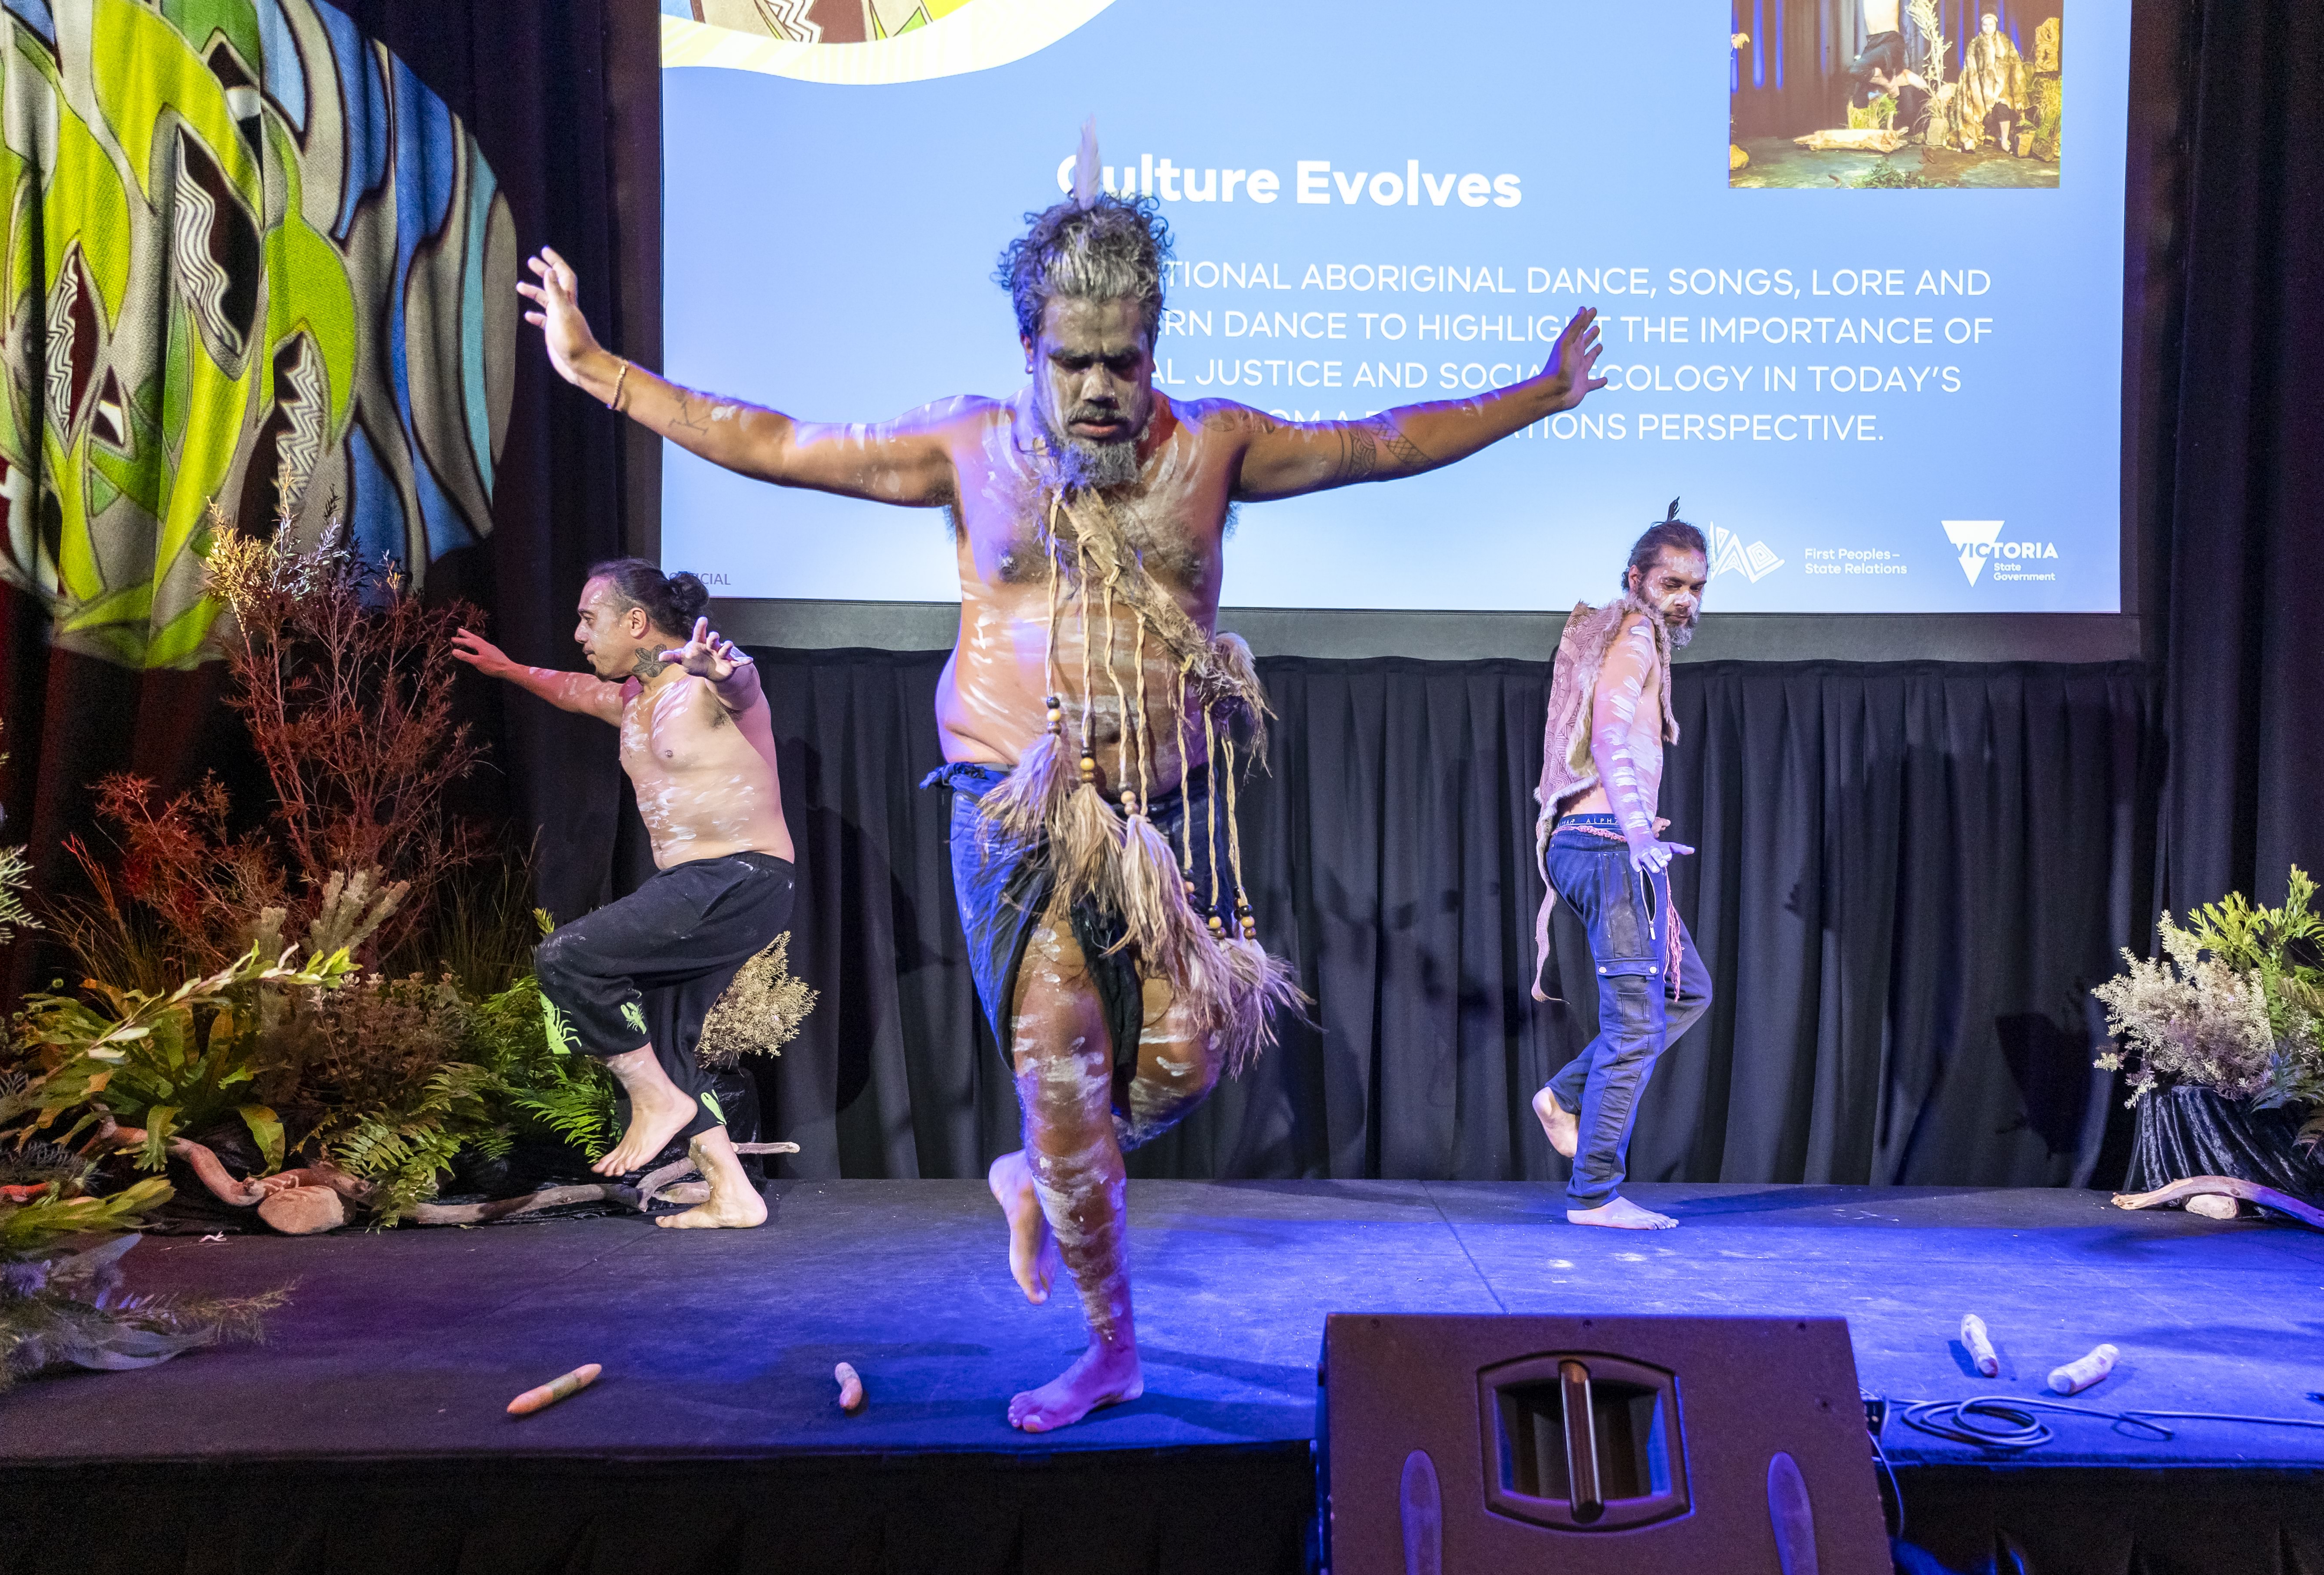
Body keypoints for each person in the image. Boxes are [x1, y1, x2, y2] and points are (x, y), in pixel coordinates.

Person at [514, 141, 1606, 1429]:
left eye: (1123, 360)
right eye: (1070, 359)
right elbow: (777, 439)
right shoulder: (970, 451)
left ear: (1155, 344)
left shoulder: (1212, 450)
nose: (1098, 388)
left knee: (1192, 1054)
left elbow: (1377, 444)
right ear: (1028, 343)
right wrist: (601, 370)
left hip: (1165, 817)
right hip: (1013, 813)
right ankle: (1110, 1345)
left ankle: (1036, 1171)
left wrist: (1535, 396)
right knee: (1072, 1079)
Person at [451, 562, 795, 1229]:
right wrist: (508, 669)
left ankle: (655, 1101)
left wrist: (724, 669)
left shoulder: (706, 686)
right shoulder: (635, 701)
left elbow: (743, 685)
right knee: (665, 1042)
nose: (579, 633)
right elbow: (573, 688)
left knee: (568, 957)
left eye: (588, 618)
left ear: (635, 621)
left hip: (740, 876)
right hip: (696, 886)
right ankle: (732, 1190)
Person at [1530, 504, 1714, 1231]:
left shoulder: (1637, 637)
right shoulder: (1634, 631)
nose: (1685, 601)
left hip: (1606, 841)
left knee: (1683, 991)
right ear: (1637, 579)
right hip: (1606, 845)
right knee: (1634, 1025)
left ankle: (1562, 1096)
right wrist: (1635, 829)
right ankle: (1594, 1194)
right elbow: (1607, 733)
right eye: (1672, 583)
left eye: (1696, 587)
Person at [1956, 11, 2026, 153]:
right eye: (1985, 25)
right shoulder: (1975, 44)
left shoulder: (2006, 42)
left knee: (2003, 107)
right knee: (1975, 111)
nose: (1988, 28)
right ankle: (1973, 137)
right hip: (1982, 88)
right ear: (1981, 26)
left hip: (2002, 88)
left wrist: (2016, 90)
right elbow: (1970, 68)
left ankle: (2004, 140)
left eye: (1991, 24)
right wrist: (1975, 89)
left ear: (1996, 25)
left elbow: (2015, 65)